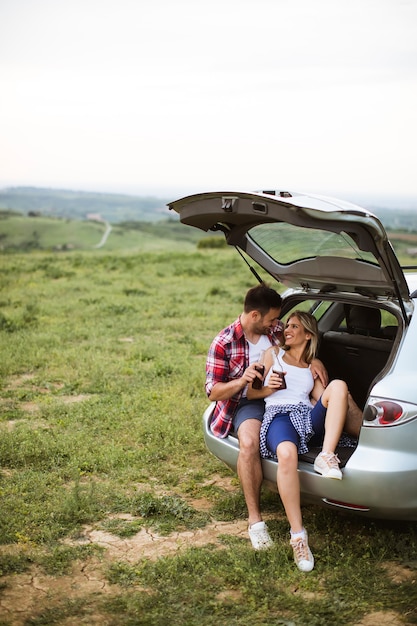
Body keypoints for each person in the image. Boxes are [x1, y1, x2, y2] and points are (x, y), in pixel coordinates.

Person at [205, 286, 328, 551]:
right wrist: (242, 381)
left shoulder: (274, 331)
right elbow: (213, 392)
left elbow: (299, 344)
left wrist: (313, 360)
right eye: (272, 320)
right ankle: (256, 522)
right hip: (246, 402)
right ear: (253, 316)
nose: (278, 325)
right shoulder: (224, 342)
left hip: (281, 401)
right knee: (248, 443)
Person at [247, 310, 352, 572]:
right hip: (279, 416)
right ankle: (298, 536)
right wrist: (268, 386)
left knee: (338, 385)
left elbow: (323, 398)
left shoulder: (311, 365)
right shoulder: (273, 354)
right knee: (286, 453)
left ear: (308, 334)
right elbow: (251, 392)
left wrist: (319, 367)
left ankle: (326, 456)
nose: (287, 330)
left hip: (305, 418)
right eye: (287, 326)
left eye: (294, 326)